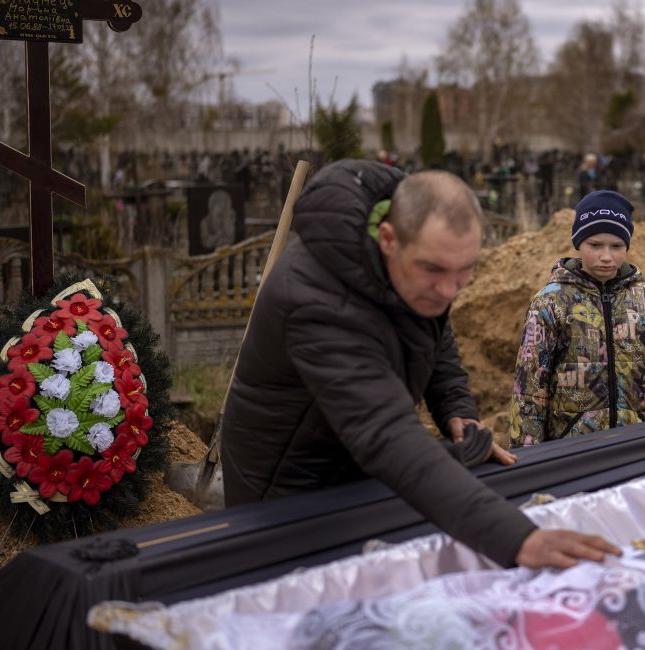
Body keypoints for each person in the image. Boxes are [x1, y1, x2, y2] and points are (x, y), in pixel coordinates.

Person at [221, 160, 620, 570]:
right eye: (434, 270)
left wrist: (456, 409)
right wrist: (518, 538)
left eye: (464, 271)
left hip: (353, 467)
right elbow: (386, 434)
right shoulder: (314, 298)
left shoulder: (411, 267)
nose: (449, 290)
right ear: (389, 239)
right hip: (287, 490)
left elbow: (433, 329)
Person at [509, 190, 645, 448]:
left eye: (616, 246)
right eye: (595, 245)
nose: (606, 256)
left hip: (638, 444)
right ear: (578, 243)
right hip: (572, 450)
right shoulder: (550, 303)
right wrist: (526, 457)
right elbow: (530, 387)